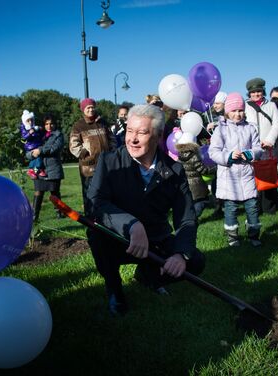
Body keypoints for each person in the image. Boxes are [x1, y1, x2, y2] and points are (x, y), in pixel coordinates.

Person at [86, 104, 205, 315]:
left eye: (141, 132)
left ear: (158, 136)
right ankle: (114, 289)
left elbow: (186, 219)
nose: (132, 139)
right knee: (96, 234)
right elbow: (96, 203)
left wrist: (179, 254)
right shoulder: (109, 161)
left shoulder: (175, 170)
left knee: (194, 260)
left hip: (155, 241)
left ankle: (149, 276)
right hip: (119, 239)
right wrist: (130, 225)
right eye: (130, 131)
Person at [209, 93, 263, 247]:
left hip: (246, 175)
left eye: (240, 110)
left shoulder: (250, 128)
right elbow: (214, 152)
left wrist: (250, 154)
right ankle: (233, 237)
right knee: (230, 208)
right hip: (229, 177)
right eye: (234, 111)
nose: (237, 114)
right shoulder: (221, 130)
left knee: (252, 207)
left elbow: (258, 148)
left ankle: (254, 235)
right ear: (227, 112)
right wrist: (229, 156)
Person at [69, 98, 116, 215]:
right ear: (83, 110)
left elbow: (112, 139)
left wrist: (112, 152)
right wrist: (85, 153)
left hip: (106, 165)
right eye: (88, 108)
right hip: (88, 168)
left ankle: (106, 217)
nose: (91, 110)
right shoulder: (78, 126)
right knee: (89, 194)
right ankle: (90, 218)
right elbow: (73, 146)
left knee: (106, 192)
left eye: (92, 107)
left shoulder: (103, 122)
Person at [244, 77, 278, 214]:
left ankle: (270, 208)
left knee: (268, 176)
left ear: (263, 91)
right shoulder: (246, 106)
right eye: (253, 92)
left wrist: (270, 140)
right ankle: (256, 208)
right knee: (254, 179)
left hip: (268, 147)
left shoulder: (271, 105)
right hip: (252, 147)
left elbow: (277, 123)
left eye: (258, 91)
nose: (256, 94)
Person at [28, 114, 65, 221]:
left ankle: (59, 214)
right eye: (46, 124)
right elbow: (30, 148)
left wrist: (40, 150)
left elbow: (54, 149)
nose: (49, 126)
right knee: (38, 192)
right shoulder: (39, 135)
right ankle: (35, 216)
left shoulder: (59, 135)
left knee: (54, 192)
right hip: (39, 170)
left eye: (51, 123)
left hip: (53, 168)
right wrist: (31, 154)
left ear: (55, 124)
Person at [175, 141, 217, 218]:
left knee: (192, 203)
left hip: (186, 183)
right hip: (197, 184)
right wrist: (214, 169)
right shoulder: (194, 156)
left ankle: (188, 218)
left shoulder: (180, 156)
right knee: (202, 201)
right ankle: (192, 218)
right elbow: (202, 170)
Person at [20, 110, 46, 179]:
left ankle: (34, 170)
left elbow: (40, 136)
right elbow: (24, 138)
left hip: (37, 145)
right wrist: (29, 133)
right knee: (38, 158)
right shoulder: (24, 128)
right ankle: (35, 169)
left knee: (36, 159)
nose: (30, 122)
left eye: (31, 120)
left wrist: (40, 130)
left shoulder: (34, 127)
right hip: (30, 147)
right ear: (25, 121)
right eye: (28, 121)